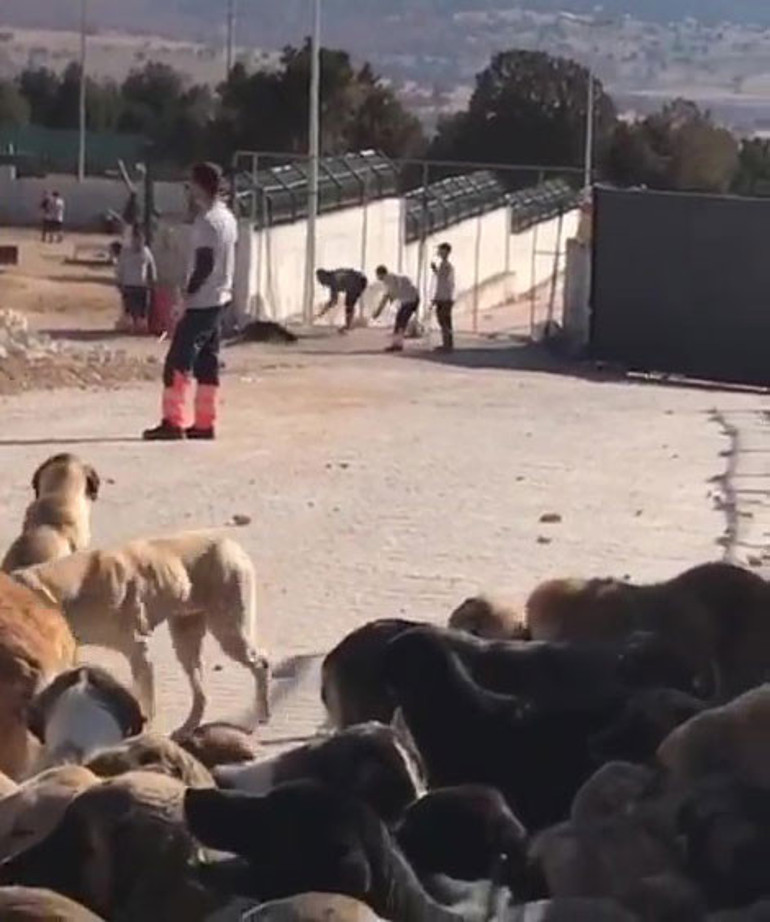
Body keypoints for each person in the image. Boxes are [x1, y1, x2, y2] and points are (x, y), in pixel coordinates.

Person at [143, 162, 237, 442]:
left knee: (178, 362)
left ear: (199, 185)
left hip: (203, 300)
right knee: (207, 361)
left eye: (191, 183)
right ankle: (205, 422)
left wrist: (187, 294)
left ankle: (173, 421)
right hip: (221, 297)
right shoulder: (227, 218)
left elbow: (205, 263)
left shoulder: (207, 222)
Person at [116, 226, 157, 335]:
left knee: (142, 309)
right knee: (128, 308)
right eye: (136, 239)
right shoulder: (126, 252)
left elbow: (151, 266)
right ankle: (129, 326)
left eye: (140, 239)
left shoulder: (146, 252)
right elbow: (120, 267)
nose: (138, 242)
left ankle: (140, 327)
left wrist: (153, 279)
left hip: (142, 286)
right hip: (128, 285)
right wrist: (119, 280)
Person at [373, 266, 420, 353]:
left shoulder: (388, 280)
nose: (377, 277)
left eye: (377, 275)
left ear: (381, 274)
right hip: (410, 299)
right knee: (400, 321)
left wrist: (378, 312)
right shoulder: (391, 278)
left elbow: (386, 297)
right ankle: (397, 344)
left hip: (410, 300)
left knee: (401, 322)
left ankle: (397, 344)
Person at [316, 268, 368, 333]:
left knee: (349, 303)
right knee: (349, 302)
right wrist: (322, 311)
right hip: (360, 279)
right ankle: (348, 324)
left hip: (358, 280)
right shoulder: (333, 277)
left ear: (325, 277)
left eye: (322, 281)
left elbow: (333, 301)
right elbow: (334, 301)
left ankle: (348, 325)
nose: (323, 284)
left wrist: (322, 312)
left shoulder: (333, 280)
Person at [431, 242, 456, 353]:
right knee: (444, 321)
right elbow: (441, 279)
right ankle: (447, 343)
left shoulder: (447, 266)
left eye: (441, 250)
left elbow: (445, 282)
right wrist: (435, 270)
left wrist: (438, 297)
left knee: (444, 321)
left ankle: (447, 345)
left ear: (446, 252)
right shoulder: (443, 265)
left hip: (445, 297)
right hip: (443, 297)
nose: (439, 252)